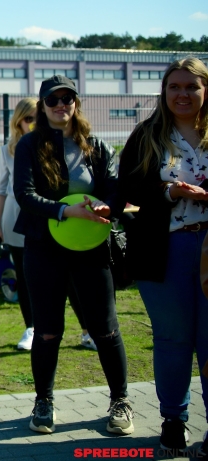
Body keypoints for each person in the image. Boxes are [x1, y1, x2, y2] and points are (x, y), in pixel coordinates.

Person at [13, 75, 133, 435]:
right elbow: (24, 194)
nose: (61, 105)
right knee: (47, 331)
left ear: (76, 103)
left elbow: (115, 189)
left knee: (105, 329)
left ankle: (120, 401)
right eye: (53, 100)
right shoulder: (29, 145)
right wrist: (65, 211)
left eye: (67, 98)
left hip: (90, 248)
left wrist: (107, 207)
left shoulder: (96, 145)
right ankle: (44, 402)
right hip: (43, 248)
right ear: (42, 106)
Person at [118, 57, 208, 453]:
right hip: (164, 250)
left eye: (191, 87)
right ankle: (174, 420)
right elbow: (128, 186)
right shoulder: (148, 133)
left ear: (206, 90)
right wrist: (170, 192)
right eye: (175, 86)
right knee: (173, 338)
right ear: (164, 92)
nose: (182, 94)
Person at [0, 99, 97, 352]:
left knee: (70, 277)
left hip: (54, 217)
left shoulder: (53, 145)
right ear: (18, 122)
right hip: (17, 219)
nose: (34, 123)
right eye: (28, 119)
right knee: (25, 277)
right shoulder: (8, 150)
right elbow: (1, 189)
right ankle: (31, 328)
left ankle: (87, 330)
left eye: (37, 117)